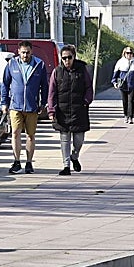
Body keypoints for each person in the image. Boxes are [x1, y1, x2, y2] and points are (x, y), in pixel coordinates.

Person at [0, 40, 49, 174]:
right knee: (15, 133)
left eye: (27, 53)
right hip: (15, 106)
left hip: (32, 107)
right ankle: (16, 161)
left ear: (31, 52)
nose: (25, 55)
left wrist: (43, 103)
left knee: (30, 135)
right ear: (18, 52)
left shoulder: (39, 65)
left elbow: (44, 86)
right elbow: (5, 84)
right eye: (23, 53)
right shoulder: (12, 64)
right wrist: (4, 103)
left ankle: (29, 162)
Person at [47, 44, 93, 176]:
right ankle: (66, 165)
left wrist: (86, 101)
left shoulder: (82, 70)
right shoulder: (57, 72)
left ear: (74, 57)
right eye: (64, 58)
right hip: (62, 111)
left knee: (79, 139)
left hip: (79, 110)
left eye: (69, 57)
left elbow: (89, 88)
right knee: (64, 139)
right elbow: (52, 92)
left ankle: (75, 156)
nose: (66, 61)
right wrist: (51, 110)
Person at [111, 47, 134, 125]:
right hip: (123, 85)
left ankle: (130, 117)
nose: (129, 55)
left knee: (131, 101)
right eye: (127, 53)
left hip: (132, 85)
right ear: (124, 54)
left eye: (130, 53)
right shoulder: (120, 62)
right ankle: (125, 115)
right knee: (125, 101)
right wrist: (114, 82)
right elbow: (115, 74)